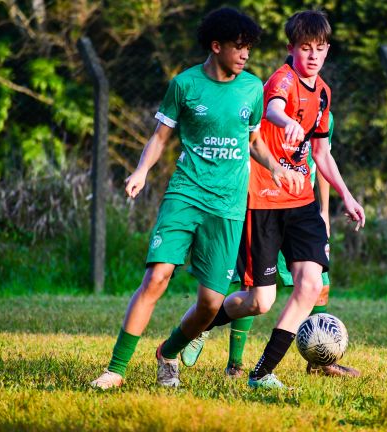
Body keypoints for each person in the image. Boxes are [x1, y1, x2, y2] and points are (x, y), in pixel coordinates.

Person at [90, 7, 302, 390]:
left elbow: (252, 141)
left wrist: (276, 168)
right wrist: (140, 171)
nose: (245, 55)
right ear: (215, 46)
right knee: (157, 277)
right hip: (186, 193)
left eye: (249, 49)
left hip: (228, 206)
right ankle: (115, 370)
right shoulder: (184, 85)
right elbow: (159, 137)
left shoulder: (252, 89)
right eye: (239, 47)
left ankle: (168, 352)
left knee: (209, 303)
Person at [181, 10, 365, 389]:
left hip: (300, 201)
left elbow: (322, 154)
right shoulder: (282, 79)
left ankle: (262, 373)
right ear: (291, 48)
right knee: (258, 302)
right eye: (305, 48)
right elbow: (273, 108)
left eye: (319, 48)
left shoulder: (324, 94)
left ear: (328, 50)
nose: (312, 55)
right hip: (262, 199)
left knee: (311, 283)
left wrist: (346, 195)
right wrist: (285, 122)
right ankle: (200, 325)